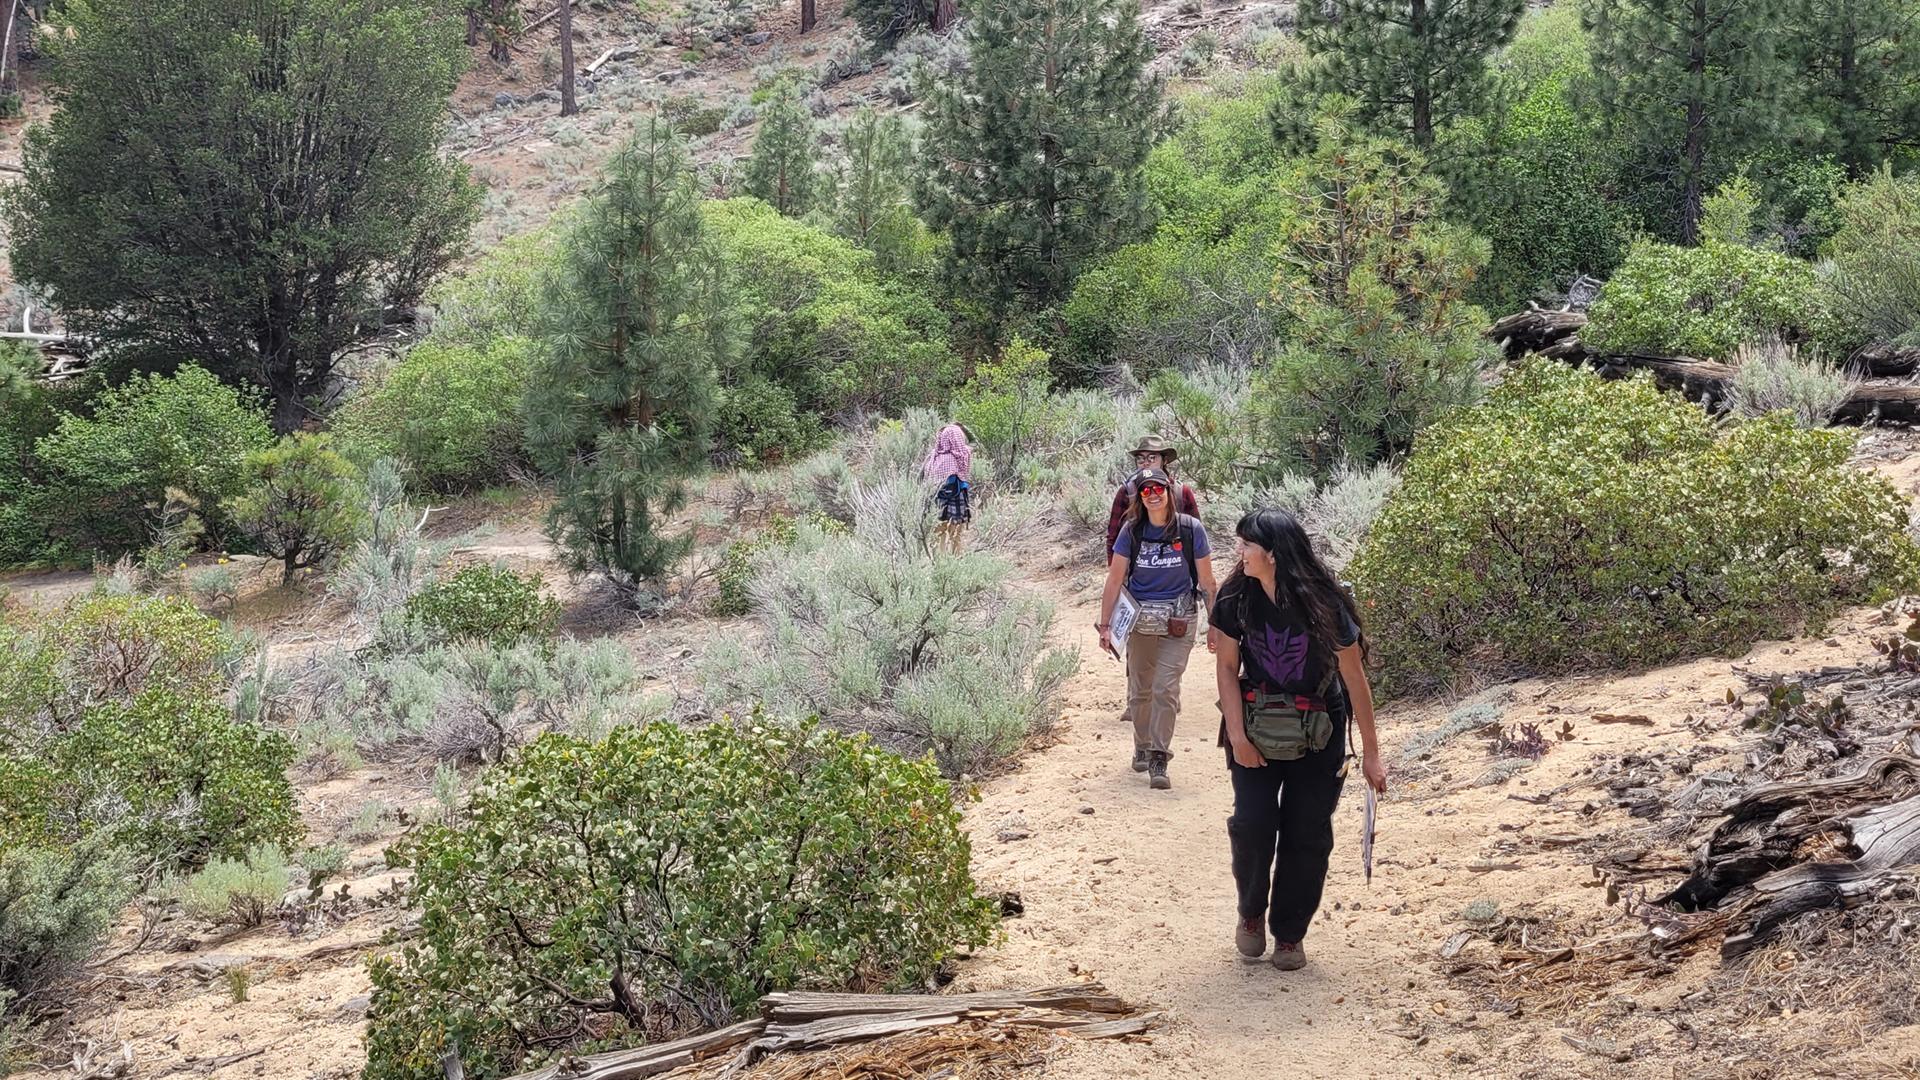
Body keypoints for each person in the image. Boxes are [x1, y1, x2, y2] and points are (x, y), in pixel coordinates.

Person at [1210, 508, 1386, 971]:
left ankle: (1289, 935)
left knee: (1307, 833)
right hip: (1256, 727)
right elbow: (1226, 668)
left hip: (1319, 730)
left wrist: (1372, 753)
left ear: (1272, 552)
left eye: (1246, 544)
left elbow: (1354, 677)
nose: (1239, 552)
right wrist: (1237, 735)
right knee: (1252, 825)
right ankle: (1251, 913)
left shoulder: (1323, 601)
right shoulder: (1235, 596)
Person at [1096, 467, 1218, 791]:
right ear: (1139, 496)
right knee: (1141, 690)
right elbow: (1114, 579)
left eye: (1158, 489)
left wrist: (1216, 624)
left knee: (1166, 688)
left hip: (1179, 620)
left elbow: (1207, 582)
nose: (1152, 495)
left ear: (1169, 492)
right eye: (1146, 490)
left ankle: (1159, 755)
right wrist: (1105, 625)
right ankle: (1142, 742)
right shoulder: (1131, 532)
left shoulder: (1191, 531)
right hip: (1140, 621)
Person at [1104, 435, 1200, 554]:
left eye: (1152, 458)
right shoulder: (1127, 492)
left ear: (1164, 461)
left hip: (1178, 566)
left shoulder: (1181, 491)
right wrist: (1115, 569)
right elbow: (1113, 536)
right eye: (1140, 459)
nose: (1145, 463)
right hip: (1137, 568)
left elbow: (1197, 536)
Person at [922, 420, 973, 553]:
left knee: (939, 531)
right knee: (956, 532)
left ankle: (939, 558)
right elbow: (971, 446)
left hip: (936, 499)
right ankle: (956, 557)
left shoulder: (934, 456)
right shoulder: (960, 455)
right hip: (957, 496)